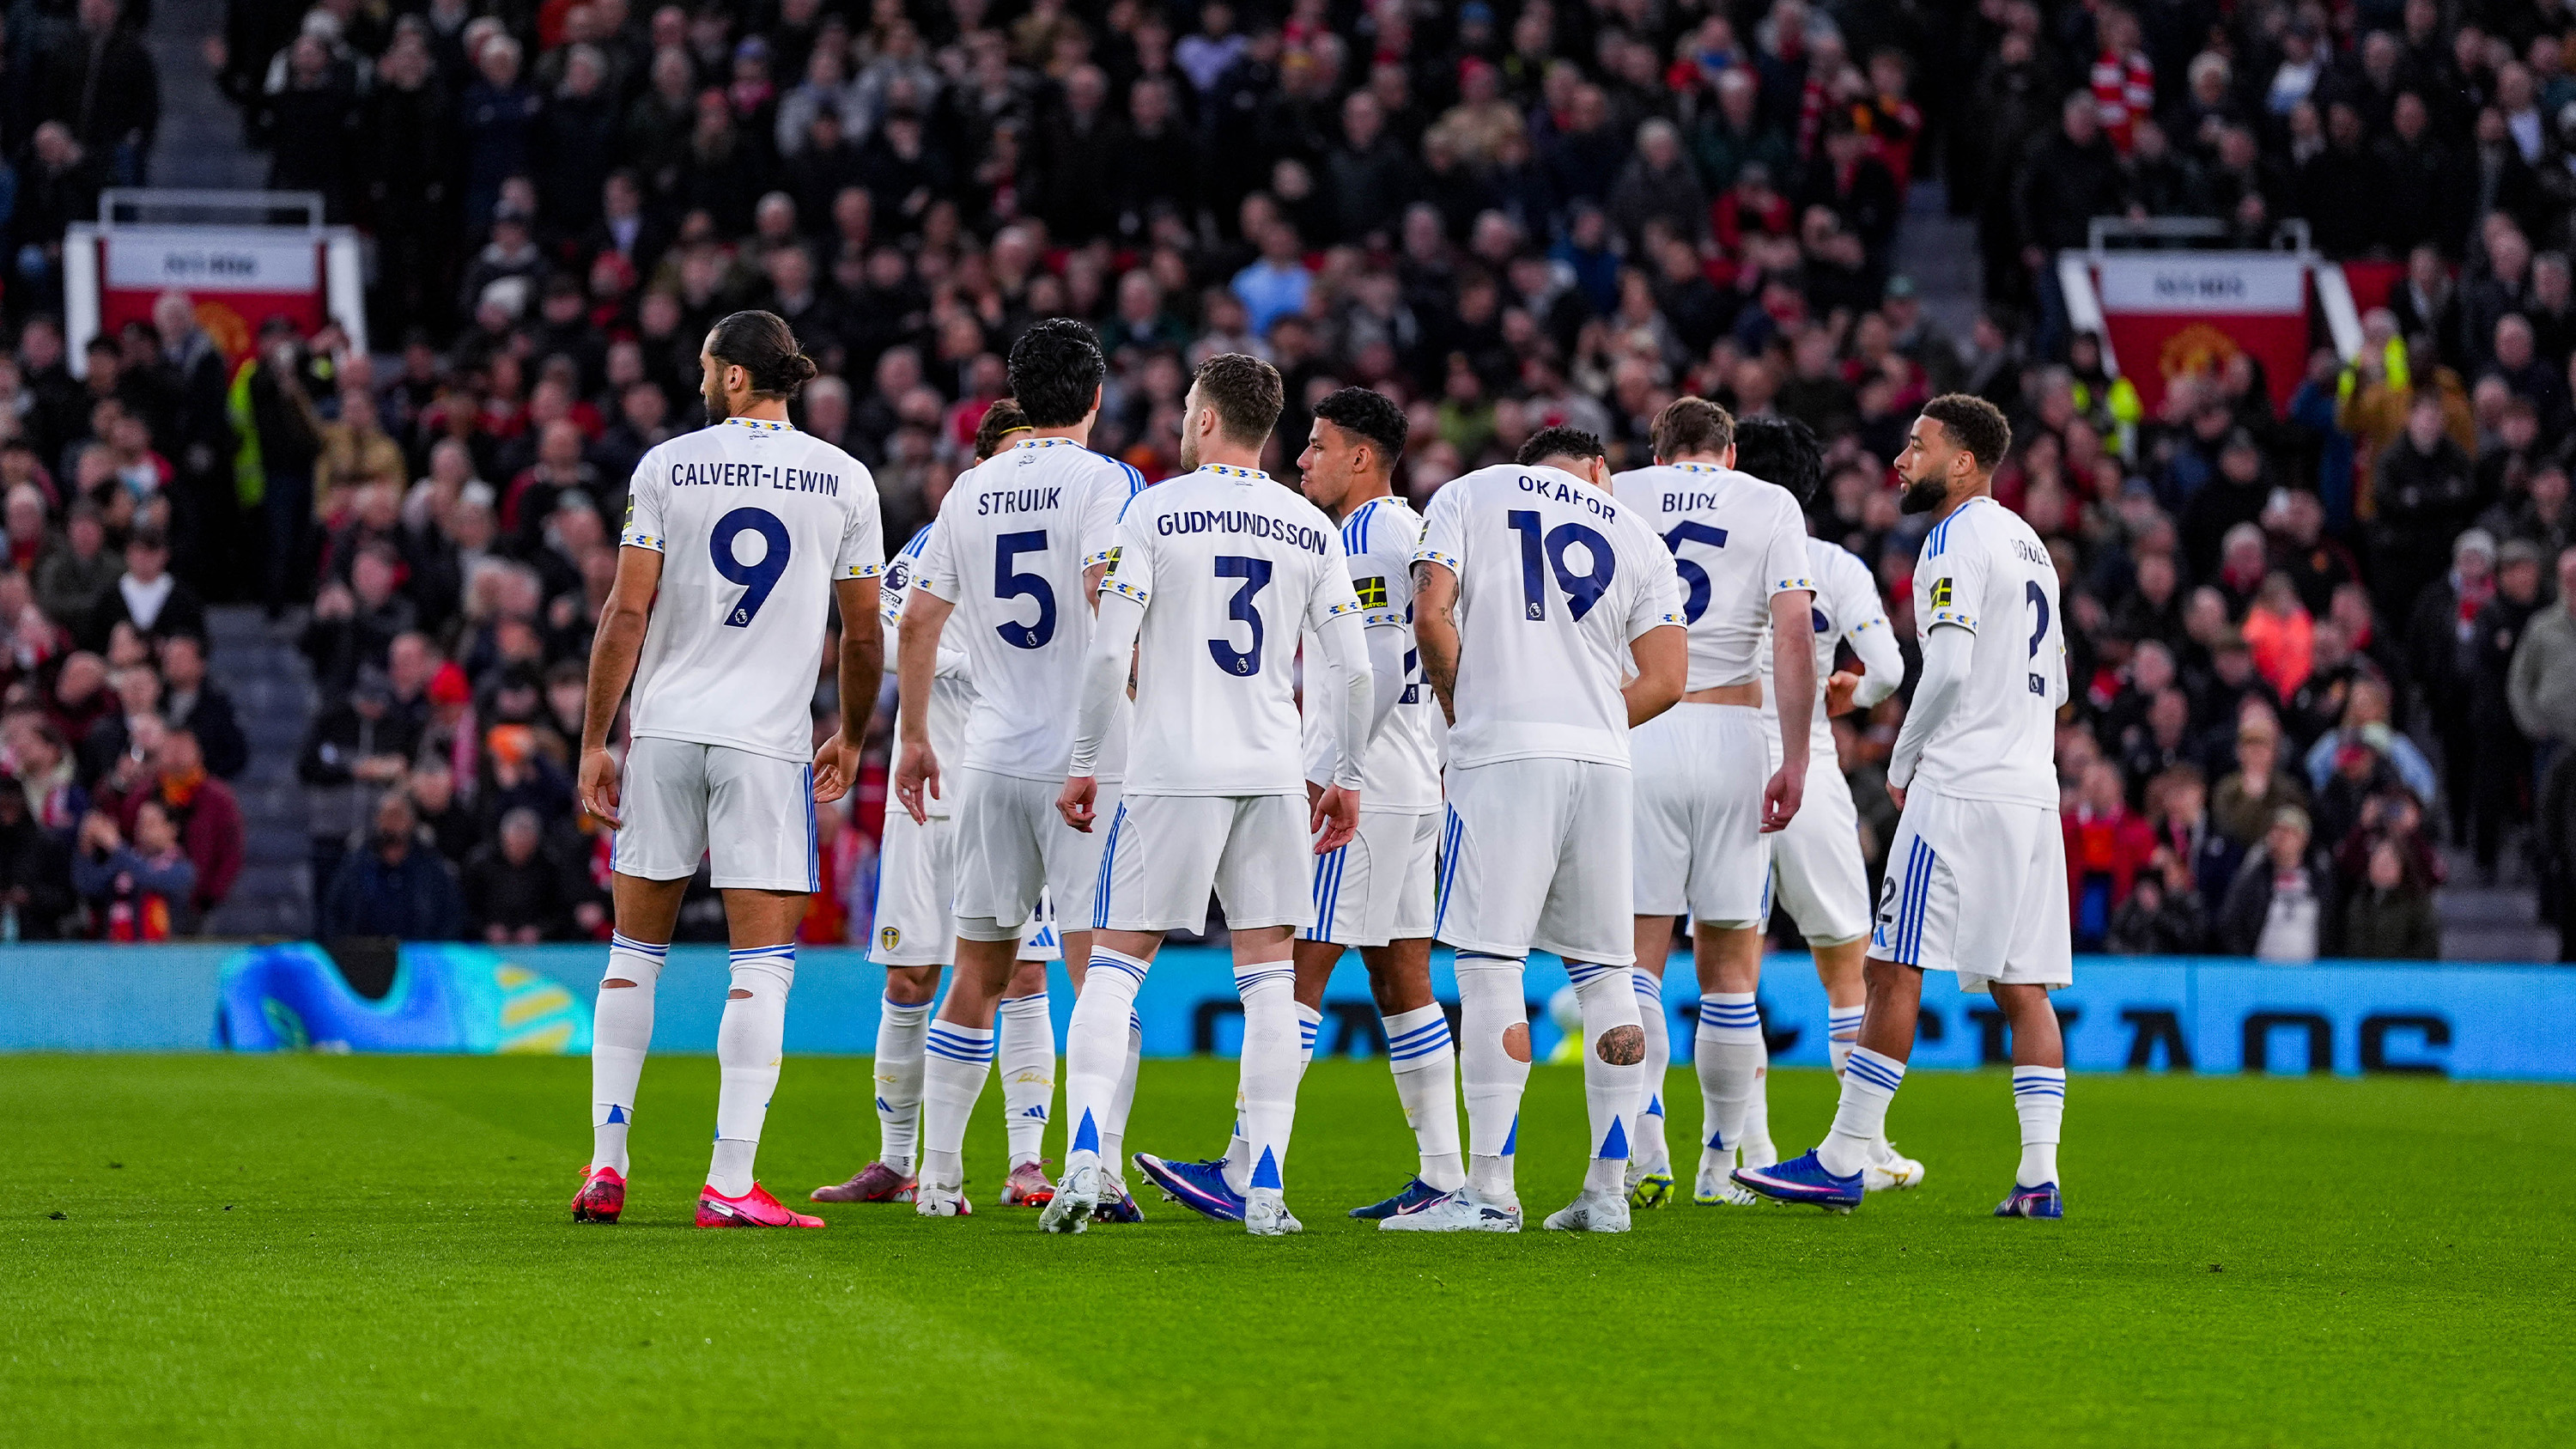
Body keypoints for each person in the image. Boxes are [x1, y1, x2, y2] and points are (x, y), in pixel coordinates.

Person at [1044, 351, 1375, 1239]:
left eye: (1188, 409)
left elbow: (1111, 652)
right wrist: (1342, 775)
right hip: (1270, 774)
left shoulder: (1151, 511)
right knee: (1270, 982)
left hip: (1170, 772)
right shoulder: (1311, 527)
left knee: (1114, 970)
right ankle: (1264, 1183)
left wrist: (1084, 758)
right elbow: (1354, 666)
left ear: (1202, 421)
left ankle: (1082, 1161)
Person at [570, 310, 884, 1231]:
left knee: (634, 955)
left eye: (709, 368)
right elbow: (862, 632)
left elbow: (627, 613)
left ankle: (607, 1162)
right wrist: (854, 736)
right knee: (762, 965)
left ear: (737, 378)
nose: (701, 381)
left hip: (664, 732)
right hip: (765, 744)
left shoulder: (666, 465)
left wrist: (597, 738)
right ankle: (730, 1180)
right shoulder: (844, 478)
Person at [1736, 394, 2072, 1220]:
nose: (1900, 459)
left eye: (1917, 446)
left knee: (1893, 965)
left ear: (1963, 462)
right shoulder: (2033, 547)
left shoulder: (1954, 538)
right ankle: (2038, 1177)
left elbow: (1949, 668)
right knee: (2023, 986)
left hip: (1961, 787)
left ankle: (1845, 1156)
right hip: (2032, 788)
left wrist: (1908, 753)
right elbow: (2057, 686)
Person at [1133, 385, 1458, 1224]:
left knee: (1294, 972)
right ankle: (1446, 1176)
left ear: (1360, 457)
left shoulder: (1367, 531)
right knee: (1400, 977)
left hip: (1367, 787)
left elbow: (1379, 664)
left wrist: (1324, 771)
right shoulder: (1410, 529)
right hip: (1413, 779)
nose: (1302, 459)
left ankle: (1248, 1163)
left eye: (1316, 446)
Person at [1388, 423, 1686, 1235]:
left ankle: (1489, 1190)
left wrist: (1462, 716)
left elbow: (1430, 614)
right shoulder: (1635, 533)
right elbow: (1668, 678)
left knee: (1490, 963)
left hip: (1504, 752)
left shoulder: (1468, 492)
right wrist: (1583, 721)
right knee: (1605, 972)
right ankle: (1609, 1189)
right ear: (1599, 469)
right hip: (1602, 760)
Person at [888, 320, 1145, 1222]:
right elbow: (1101, 597)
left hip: (988, 757)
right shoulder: (1109, 482)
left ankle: (942, 1177)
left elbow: (916, 623)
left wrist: (916, 736)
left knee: (977, 972)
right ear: (1098, 395)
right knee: (1098, 971)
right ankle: (1095, 1168)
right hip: (1085, 763)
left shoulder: (969, 488)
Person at [811, 400, 1066, 1211]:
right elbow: (878, 628)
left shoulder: (1069, 534)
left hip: (1023, 780)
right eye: (1014, 449)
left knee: (1025, 971)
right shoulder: (942, 533)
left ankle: (1025, 1163)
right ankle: (894, 1160)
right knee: (911, 972)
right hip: (931, 790)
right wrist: (959, 659)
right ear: (985, 459)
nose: (1029, 465)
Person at [1600, 397, 1816, 1212]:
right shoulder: (1770, 502)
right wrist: (1794, 758)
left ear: (1658, 451)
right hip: (1731, 734)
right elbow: (1794, 634)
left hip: (1641, 725)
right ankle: (1720, 1166)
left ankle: (1642, 1136)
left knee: (1634, 962)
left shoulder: (1616, 492)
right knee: (1729, 972)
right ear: (1729, 453)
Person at [1734, 415, 1912, 1190]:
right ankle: (1860, 1146)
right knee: (1846, 959)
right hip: (1805, 765)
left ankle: (1735, 1148)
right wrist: (1849, 690)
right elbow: (1889, 666)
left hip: (1710, 751)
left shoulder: (1683, 546)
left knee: (1727, 961)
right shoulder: (1834, 565)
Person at [319, 794, 465, 940]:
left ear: (411, 821)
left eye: (399, 816)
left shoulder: (431, 868)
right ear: (377, 820)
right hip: (365, 953)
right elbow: (333, 912)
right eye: (388, 815)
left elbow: (451, 916)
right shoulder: (356, 866)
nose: (393, 824)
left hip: (420, 955)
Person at [2216, 806, 2336, 962]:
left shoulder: (2320, 878)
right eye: (2274, 830)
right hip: (2263, 972)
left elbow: (2332, 926)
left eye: (2286, 831)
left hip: (2310, 973)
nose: (2277, 837)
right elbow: (2229, 922)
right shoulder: (2253, 877)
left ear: (2303, 838)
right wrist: (2246, 962)